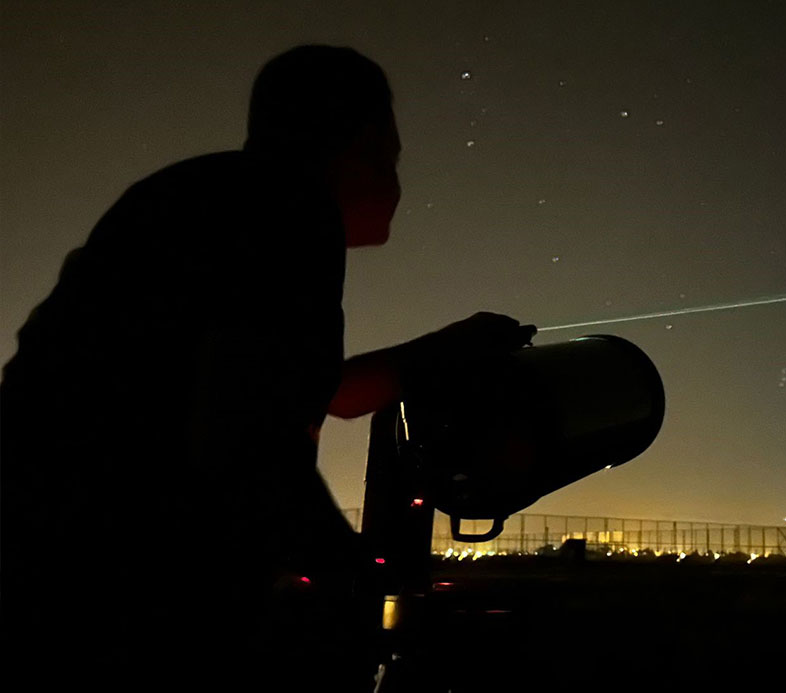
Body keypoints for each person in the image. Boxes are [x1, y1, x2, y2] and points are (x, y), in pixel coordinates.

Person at [0, 45, 533, 689]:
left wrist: (434, 351)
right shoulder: (286, 208)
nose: (397, 179)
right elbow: (245, 440)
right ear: (359, 142)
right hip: (102, 586)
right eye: (392, 155)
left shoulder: (221, 198)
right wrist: (352, 579)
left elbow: (296, 392)